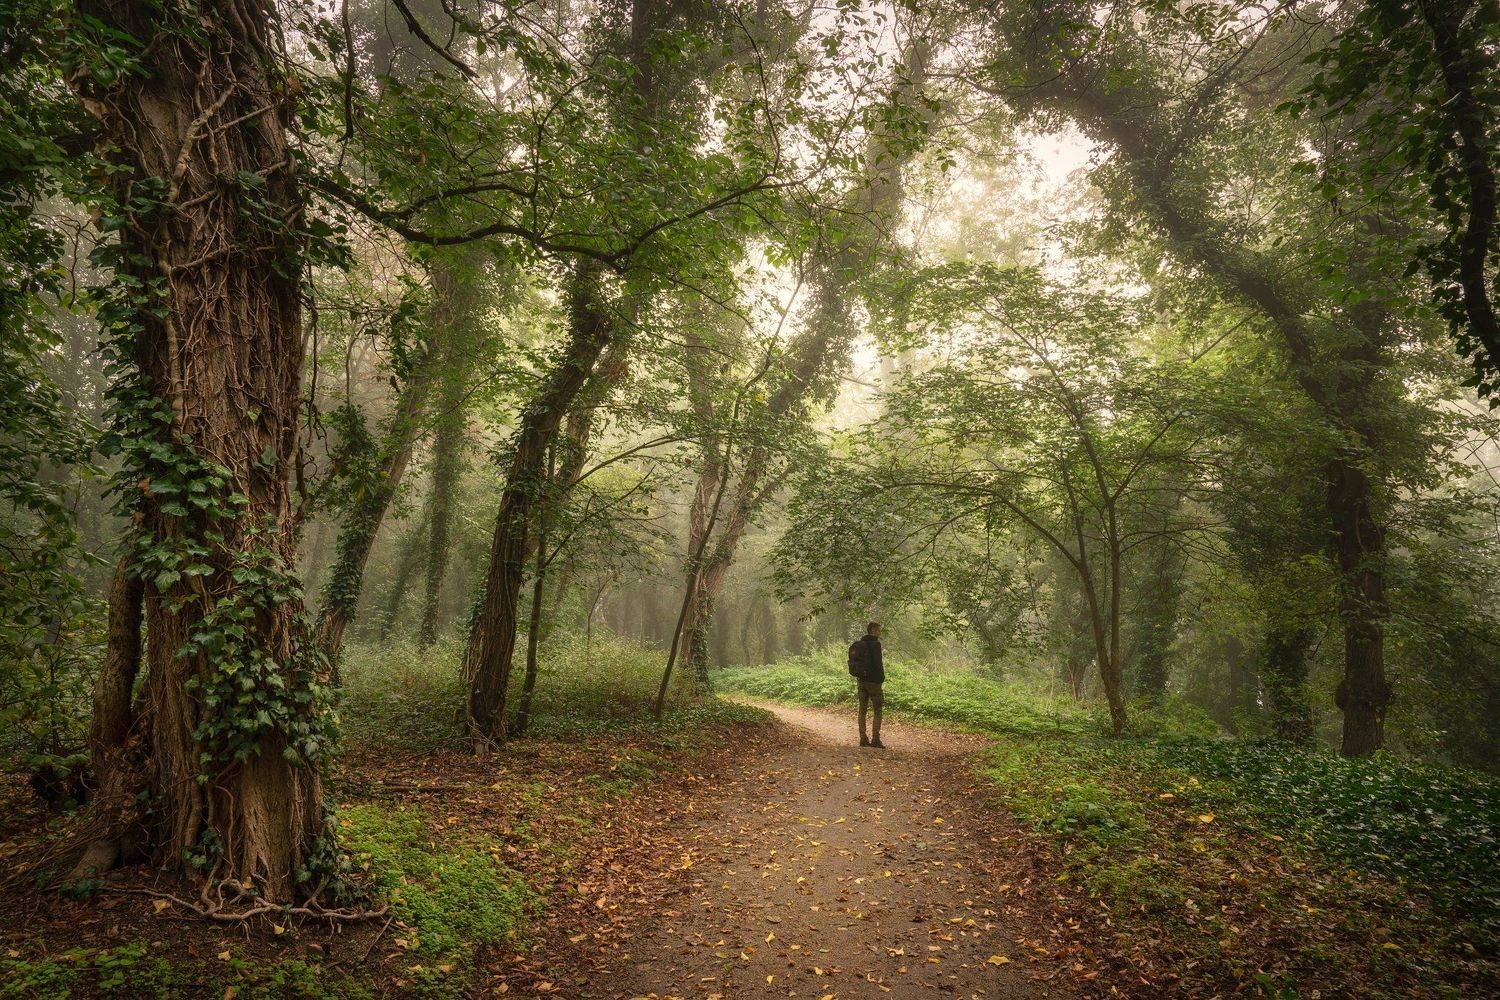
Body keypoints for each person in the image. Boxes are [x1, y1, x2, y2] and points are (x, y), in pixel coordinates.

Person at [851, 622, 885, 748]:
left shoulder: (861, 644)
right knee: (878, 709)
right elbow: (878, 664)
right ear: (873, 630)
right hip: (874, 682)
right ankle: (875, 739)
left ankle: (863, 738)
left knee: (862, 709)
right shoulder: (876, 645)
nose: (879, 632)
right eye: (878, 630)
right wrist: (881, 678)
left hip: (861, 680)